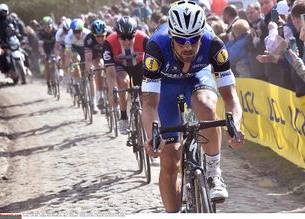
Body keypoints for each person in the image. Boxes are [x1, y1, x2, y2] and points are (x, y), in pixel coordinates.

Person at [141, 0, 245, 213]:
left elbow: (231, 96)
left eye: (193, 39)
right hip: (166, 86)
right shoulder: (155, 47)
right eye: (180, 39)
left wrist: (234, 125)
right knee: (170, 163)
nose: (188, 46)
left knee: (207, 106)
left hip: (197, 79)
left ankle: (214, 173)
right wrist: (153, 134)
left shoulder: (214, 44)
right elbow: (150, 102)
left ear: (202, 34)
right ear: (171, 35)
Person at [102, 16, 149, 135]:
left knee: (145, 95)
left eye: (130, 37)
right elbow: (110, 74)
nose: (127, 42)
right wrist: (114, 91)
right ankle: (123, 117)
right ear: (117, 35)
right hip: (120, 66)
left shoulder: (144, 39)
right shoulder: (108, 42)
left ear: (135, 34)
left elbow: (153, 65)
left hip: (139, 65)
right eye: (123, 38)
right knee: (123, 82)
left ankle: (146, 121)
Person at [84, 19, 112, 114]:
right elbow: (88, 60)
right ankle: (100, 95)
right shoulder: (89, 39)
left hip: (108, 52)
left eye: (102, 36)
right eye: (98, 37)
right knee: (97, 67)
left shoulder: (111, 35)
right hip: (95, 54)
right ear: (93, 35)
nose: (100, 39)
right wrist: (90, 69)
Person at [64, 18, 91, 98]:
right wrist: (69, 65)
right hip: (74, 48)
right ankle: (79, 83)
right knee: (76, 61)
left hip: (85, 48)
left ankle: (84, 79)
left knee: (87, 64)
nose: (77, 34)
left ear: (82, 29)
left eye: (79, 31)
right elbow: (68, 54)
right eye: (75, 32)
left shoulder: (88, 34)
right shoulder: (69, 36)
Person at [38, 16, 57, 94]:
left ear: (52, 25)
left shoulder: (56, 31)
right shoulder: (41, 33)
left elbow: (59, 43)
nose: (47, 28)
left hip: (54, 47)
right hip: (46, 48)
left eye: (48, 26)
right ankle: (48, 84)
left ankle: (59, 72)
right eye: (44, 27)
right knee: (47, 64)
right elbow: (40, 46)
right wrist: (43, 53)